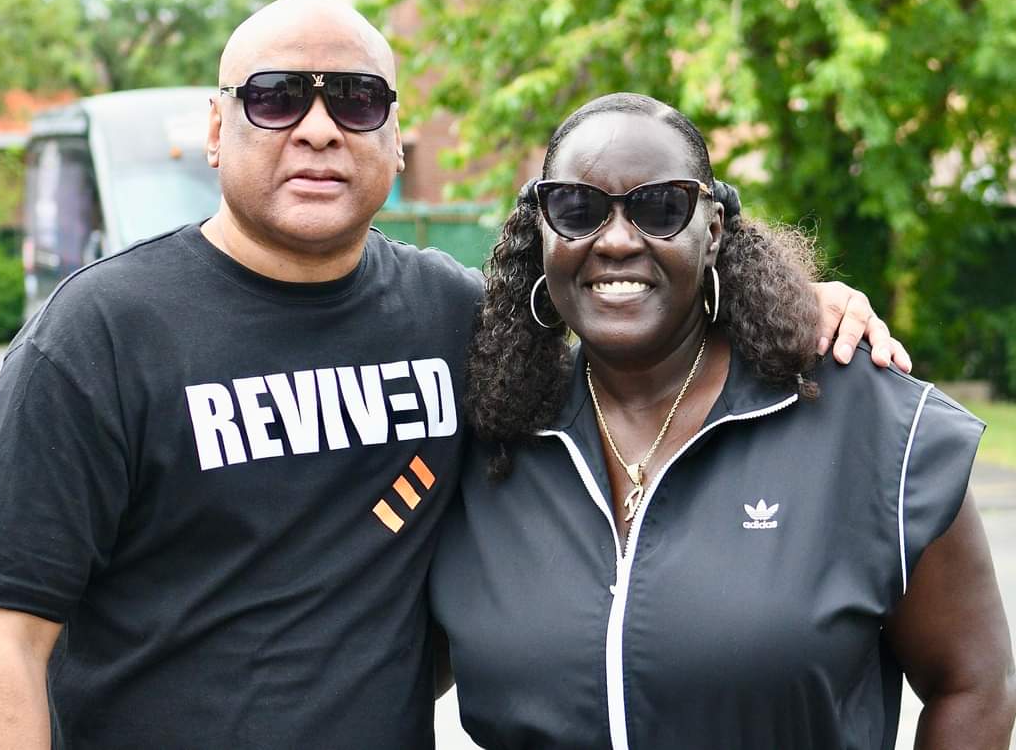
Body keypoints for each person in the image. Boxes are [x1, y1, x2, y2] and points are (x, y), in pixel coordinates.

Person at [0, 0, 906, 750]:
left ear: (396, 139)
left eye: (356, 99)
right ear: (217, 128)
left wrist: (795, 304)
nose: (319, 128)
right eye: (277, 95)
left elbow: (628, 347)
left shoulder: (458, 318)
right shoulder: (101, 336)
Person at [430, 93, 1016, 749]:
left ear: (711, 230)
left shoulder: (865, 420)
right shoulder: (492, 435)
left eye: (660, 207)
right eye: (577, 208)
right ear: (542, 233)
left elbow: (975, 679)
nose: (618, 239)